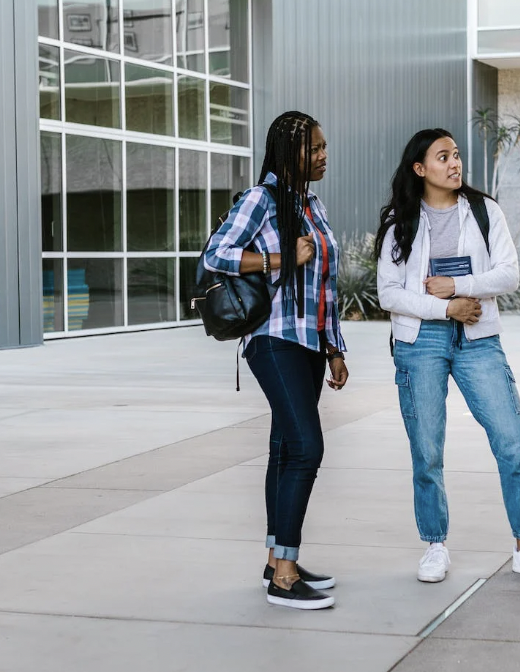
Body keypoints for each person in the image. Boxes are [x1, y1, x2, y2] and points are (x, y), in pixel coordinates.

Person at [375, 128, 520, 584]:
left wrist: (460, 287)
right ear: (420, 169)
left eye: (456, 155)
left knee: (514, 438)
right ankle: (435, 545)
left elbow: (509, 274)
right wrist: (446, 308)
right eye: (443, 157)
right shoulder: (400, 220)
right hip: (421, 342)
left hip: (478, 338)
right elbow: (388, 293)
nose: (454, 163)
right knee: (427, 449)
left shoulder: (483, 211)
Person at [203, 111, 347, 611]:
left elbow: (325, 285)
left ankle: (276, 560)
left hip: (308, 342)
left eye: (324, 147)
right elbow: (215, 255)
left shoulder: (311, 204)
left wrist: (334, 348)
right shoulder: (259, 201)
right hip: (273, 339)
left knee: (286, 450)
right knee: (306, 448)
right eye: (314, 149)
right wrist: (280, 258)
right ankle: (284, 577)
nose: (324, 156)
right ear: (289, 155)